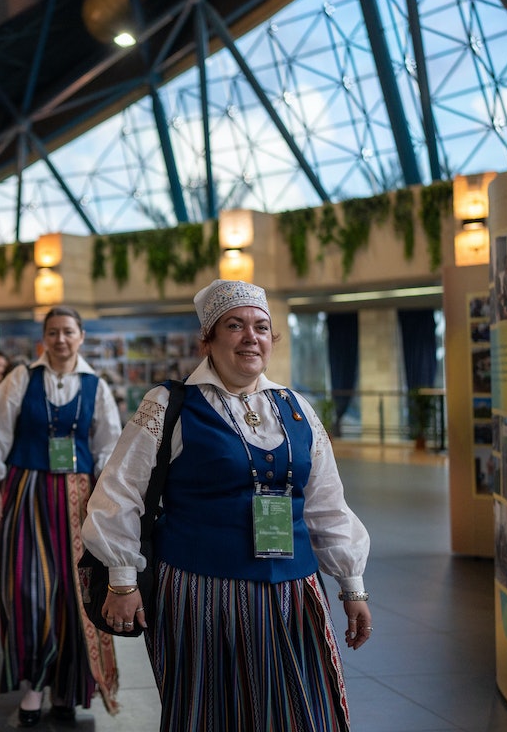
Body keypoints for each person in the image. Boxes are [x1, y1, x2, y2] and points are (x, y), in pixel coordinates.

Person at [82, 279, 372, 732]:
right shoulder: (169, 405)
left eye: (260, 327)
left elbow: (327, 504)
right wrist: (122, 581)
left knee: (304, 714)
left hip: (294, 592)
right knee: (211, 712)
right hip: (202, 592)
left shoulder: (296, 408)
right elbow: (119, 492)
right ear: (209, 339)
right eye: (234, 325)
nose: (250, 337)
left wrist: (352, 585)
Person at [0, 306, 123, 726]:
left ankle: (65, 688)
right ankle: (34, 684)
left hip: (78, 498)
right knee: (27, 591)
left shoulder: (96, 386)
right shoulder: (23, 378)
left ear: (81, 336)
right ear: (44, 338)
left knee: (75, 595)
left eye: (68, 332)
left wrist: (106, 499)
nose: (60, 339)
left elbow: (109, 445)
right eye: (53, 332)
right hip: (27, 491)